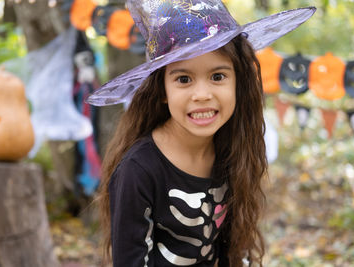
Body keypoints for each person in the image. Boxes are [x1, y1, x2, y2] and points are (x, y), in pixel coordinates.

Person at [87, 1, 315, 266]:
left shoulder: (231, 150)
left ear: (238, 82)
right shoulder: (139, 171)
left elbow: (229, 248)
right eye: (184, 79)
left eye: (218, 76)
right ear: (162, 90)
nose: (202, 95)